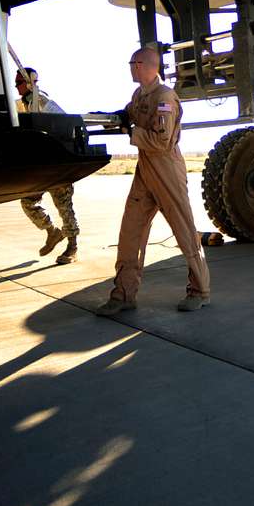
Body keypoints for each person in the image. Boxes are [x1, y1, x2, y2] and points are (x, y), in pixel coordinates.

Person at [96, 47, 211, 314]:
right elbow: (129, 114)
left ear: (144, 65)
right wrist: (114, 118)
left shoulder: (165, 97)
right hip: (145, 168)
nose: (130, 67)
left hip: (166, 168)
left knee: (184, 231)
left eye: (133, 63)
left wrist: (130, 131)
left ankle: (200, 291)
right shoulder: (139, 95)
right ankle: (124, 295)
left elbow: (161, 141)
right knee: (130, 233)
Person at [15, 67, 78, 264]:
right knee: (28, 202)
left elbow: (64, 120)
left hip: (57, 165)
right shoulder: (21, 104)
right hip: (39, 166)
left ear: (30, 82)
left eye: (19, 82)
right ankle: (52, 232)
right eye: (16, 83)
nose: (16, 86)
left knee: (64, 207)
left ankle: (72, 247)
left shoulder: (40, 100)